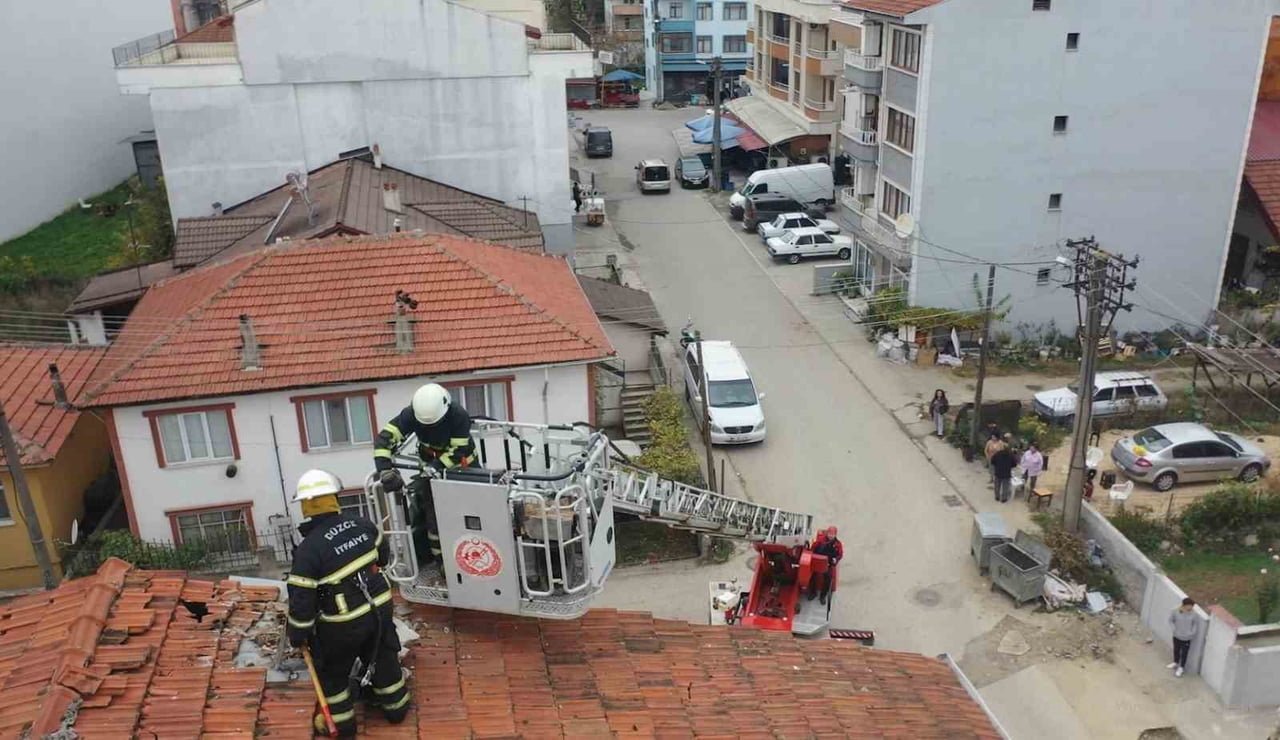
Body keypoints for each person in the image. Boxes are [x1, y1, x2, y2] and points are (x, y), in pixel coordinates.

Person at [286, 470, 410, 738]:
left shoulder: (309, 550)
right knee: (382, 654)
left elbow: (302, 600)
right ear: (334, 498)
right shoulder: (361, 524)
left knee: (332, 672)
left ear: (306, 506)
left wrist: (298, 634)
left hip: (343, 623)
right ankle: (396, 708)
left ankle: (342, 726)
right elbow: (384, 555)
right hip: (380, 608)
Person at [374, 383, 477, 565]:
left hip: (465, 469)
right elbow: (384, 440)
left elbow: (460, 450)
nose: (430, 427)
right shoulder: (411, 414)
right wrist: (385, 469)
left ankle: (472, 556)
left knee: (470, 513)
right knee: (433, 516)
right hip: (430, 467)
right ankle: (443, 562)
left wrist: (435, 467)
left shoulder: (458, 415)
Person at [809, 526, 843, 605]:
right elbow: (813, 548)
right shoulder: (821, 541)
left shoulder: (838, 544)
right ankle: (813, 592)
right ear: (827, 533)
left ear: (835, 535)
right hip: (818, 562)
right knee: (811, 575)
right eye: (829, 534)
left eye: (832, 534)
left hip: (828, 564)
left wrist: (836, 560)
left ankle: (823, 596)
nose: (830, 536)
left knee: (828, 578)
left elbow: (840, 554)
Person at [1168, 597, 1200, 677]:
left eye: (1192, 606)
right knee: (1176, 649)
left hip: (1187, 638)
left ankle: (1181, 667)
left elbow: (1195, 624)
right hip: (1177, 635)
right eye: (1190, 606)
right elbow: (1170, 620)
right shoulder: (1175, 611)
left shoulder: (1194, 614)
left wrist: (1192, 633)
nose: (1191, 607)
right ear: (1185, 605)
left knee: (1184, 653)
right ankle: (1175, 662)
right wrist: (1174, 629)